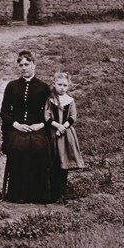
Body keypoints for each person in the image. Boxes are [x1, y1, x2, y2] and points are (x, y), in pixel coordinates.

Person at [0, 50, 55, 204]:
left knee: (38, 147)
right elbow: (4, 112)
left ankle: (38, 194)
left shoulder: (43, 87)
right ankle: (18, 194)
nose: (24, 68)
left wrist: (41, 125)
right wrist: (16, 124)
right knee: (18, 147)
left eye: (27, 64)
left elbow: (50, 112)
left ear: (34, 65)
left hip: (37, 127)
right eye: (21, 65)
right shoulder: (12, 86)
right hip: (16, 127)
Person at [45, 72, 85, 200]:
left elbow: (73, 116)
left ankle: (63, 188)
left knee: (64, 160)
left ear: (68, 86)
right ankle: (53, 189)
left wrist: (64, 127)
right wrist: (58, 126)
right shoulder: (50, 100)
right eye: (59, 84)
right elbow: (47, 116)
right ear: (54, 84)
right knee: (54, 160)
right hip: (53, 132)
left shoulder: (70, 100)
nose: (62, 87)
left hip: (66, 134)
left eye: (65, 85)